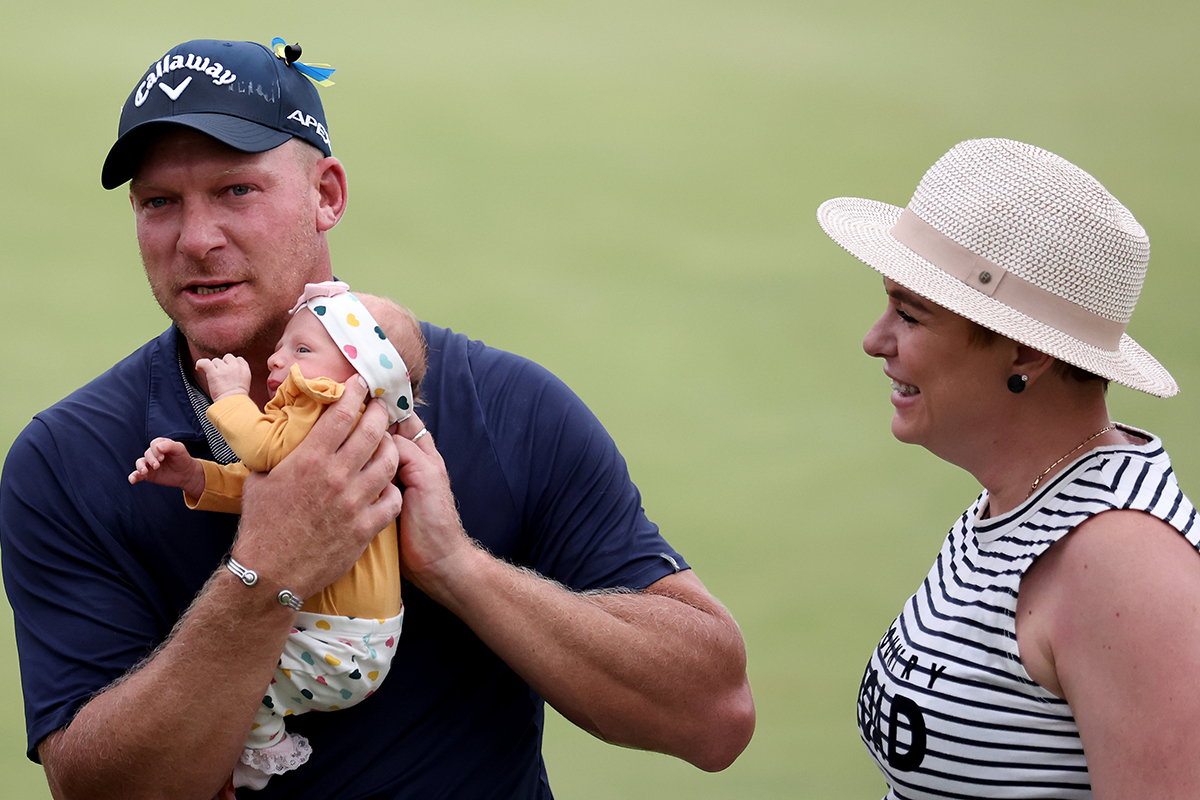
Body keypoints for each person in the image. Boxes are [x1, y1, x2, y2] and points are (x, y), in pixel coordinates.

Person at [0, 37, 754, 800]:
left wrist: (460, 569)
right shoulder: (66, 461)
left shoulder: (507, 405)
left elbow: (713, 716)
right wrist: (268, 570)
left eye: (237, 191)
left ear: (327, 194)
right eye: (159, 202)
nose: (196, 240)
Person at [817, 137, 1200, 798]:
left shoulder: (1123, 568)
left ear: (1024, 352)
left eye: (910, 314)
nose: (875, 340)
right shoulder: (1015, 508)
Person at [128, 281, 426, 791]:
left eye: (303, 349)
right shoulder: (325, 426)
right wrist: (197, 476)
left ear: (359, 374)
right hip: (351, 639)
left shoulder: (326, 401)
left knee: (237, 682)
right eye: (285, 343)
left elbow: (262, 452)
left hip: (341, 642)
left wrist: (228, 395)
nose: (278, 356)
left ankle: (259, 750)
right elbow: (268, 488)